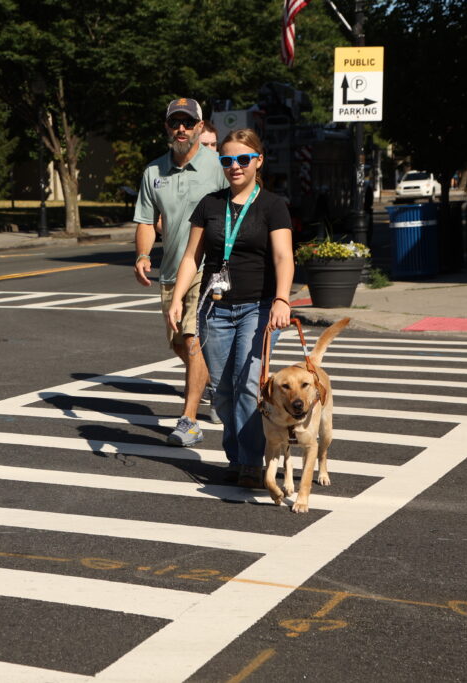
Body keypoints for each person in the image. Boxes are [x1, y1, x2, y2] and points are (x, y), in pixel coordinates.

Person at [166, 128, 294, 487]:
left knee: (248, 385)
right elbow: (192, 257)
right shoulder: (210, 204)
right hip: (215, 309)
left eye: (242, 159)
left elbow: (284, 257)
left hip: (259, 307)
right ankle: (237, 456)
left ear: (258, 161)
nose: (234, 166)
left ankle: (250, 462)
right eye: (227, 160)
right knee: (223, 390)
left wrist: (282, 298)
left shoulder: (272, 205)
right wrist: (177, 299)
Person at [133, 98, 228, 447]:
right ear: (167, 128)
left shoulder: (218, 167)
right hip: (171, 272)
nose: (182, 129)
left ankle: (189, 421)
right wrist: (143, 254)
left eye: (188, 123)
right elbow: (145, 220)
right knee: (178, 343)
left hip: (208, 269)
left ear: (200, 127)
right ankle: (218, 385)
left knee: (192, 339)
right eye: (176, 123)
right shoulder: (153, 173)